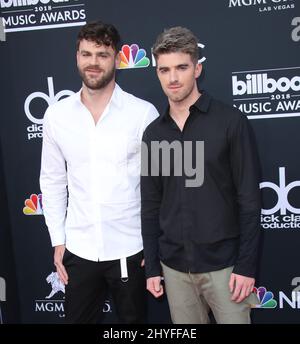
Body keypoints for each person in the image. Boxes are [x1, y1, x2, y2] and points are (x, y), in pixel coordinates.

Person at [40, 21, 159, 324]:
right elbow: (52, 181)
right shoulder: (56, 115)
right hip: (78, 250)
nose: (93, 62)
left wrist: (154, 242)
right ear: (77, 56)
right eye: (86, 54)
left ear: (117, 59)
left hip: (131, 249)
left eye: (102, 55)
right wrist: (58, 240)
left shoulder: (143, 113)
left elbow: (163, 183)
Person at [141, 26, 261, 324]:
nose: (173, 78)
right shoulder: (154, 134)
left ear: (197, 69)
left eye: (181, 67)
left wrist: (246, 266)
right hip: (174, 268)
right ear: (156, 73)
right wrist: (152, 267)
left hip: (226, 270)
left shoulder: (229, 122)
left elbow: (249, 199)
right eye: (164, 70)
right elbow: (151, 204)